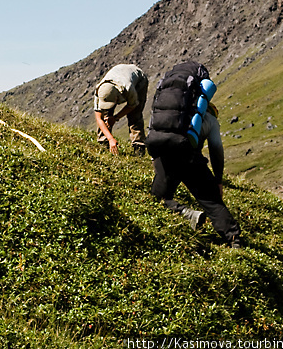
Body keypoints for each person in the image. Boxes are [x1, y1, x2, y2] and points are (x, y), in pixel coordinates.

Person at [150, 102, 242, 248]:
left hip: (165, 155)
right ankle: (234, 240)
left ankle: (186, 213)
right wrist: (218, 180)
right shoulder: (211, 120)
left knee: (158, 198)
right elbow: (216, 150)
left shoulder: (174, 111)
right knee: (213, 202)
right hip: (191, 158)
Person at [93, 64, 148, 156]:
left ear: (117, 98)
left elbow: (132, 106)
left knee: (135, 116)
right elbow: (99, 118)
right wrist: (110, 138)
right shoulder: (99, 92)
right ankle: (103, 144)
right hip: (119, 75)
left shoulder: (128, 88)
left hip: (139, 80)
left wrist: (116, 118)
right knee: (105, 114)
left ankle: (138, 148)